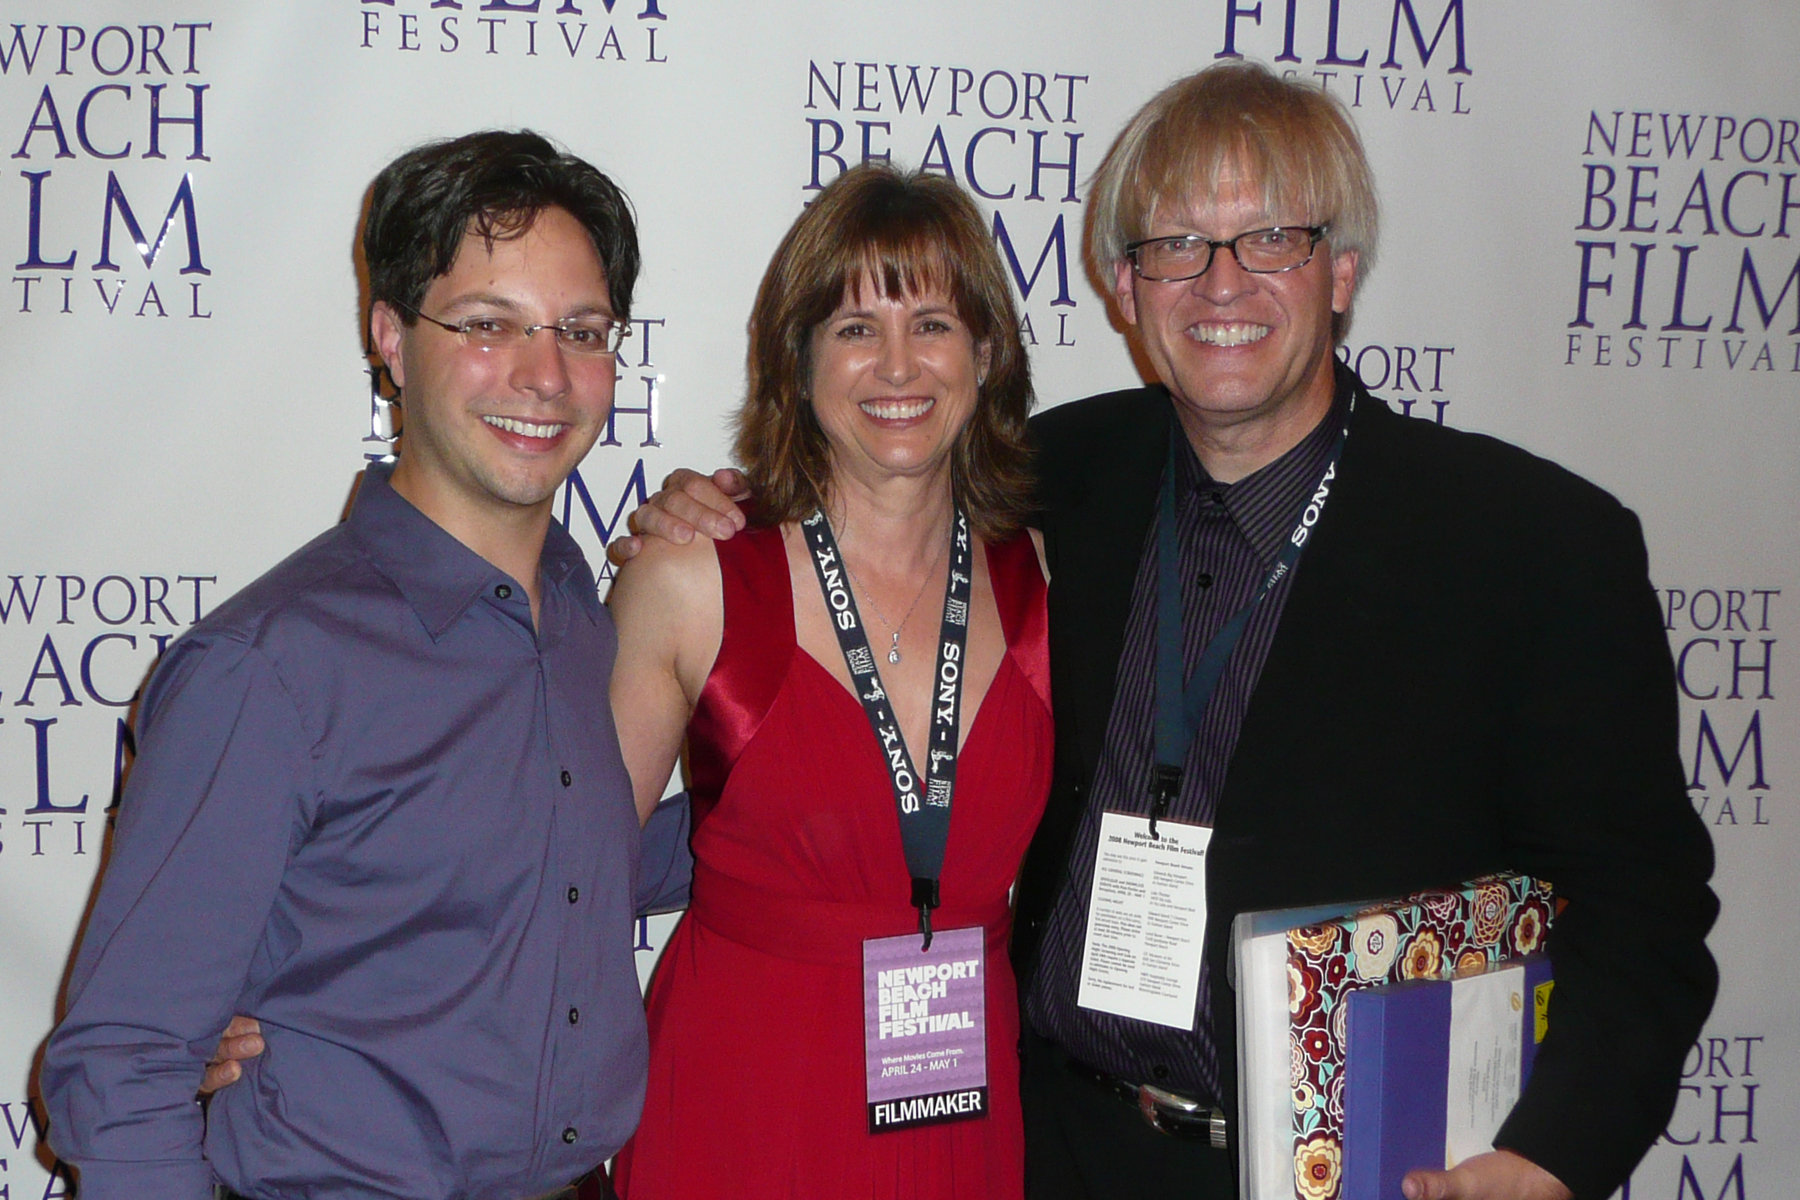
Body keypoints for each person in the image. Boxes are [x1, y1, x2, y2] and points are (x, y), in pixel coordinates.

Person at [612, 62, 1718, 1200]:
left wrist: (1549, 1159)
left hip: (1340, 1170)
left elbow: (1645, 906)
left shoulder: (1527, 544)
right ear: (1126, 288)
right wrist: (718, 507)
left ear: (1340, 272)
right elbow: (862, 494)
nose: (1220, 284)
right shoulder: (1057, 481)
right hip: (1042, 1141)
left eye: (1271, 239)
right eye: (1176, 245)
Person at [42, 130, 685, 1200]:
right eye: (487, 325)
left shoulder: (579, 613)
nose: (544, 373)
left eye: (580, 330)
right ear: (390, 336)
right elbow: (122, 1069)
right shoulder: (272, 670)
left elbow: (576, 857)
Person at [605, 162, 1051, 1198]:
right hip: (743, 1103)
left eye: (932, 322)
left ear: (985, 354)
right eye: (854, 329)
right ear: (797, 362)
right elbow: (560, 880)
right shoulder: (691, 581)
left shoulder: (1049, 581)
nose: (898, 364)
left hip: (963, 1113)